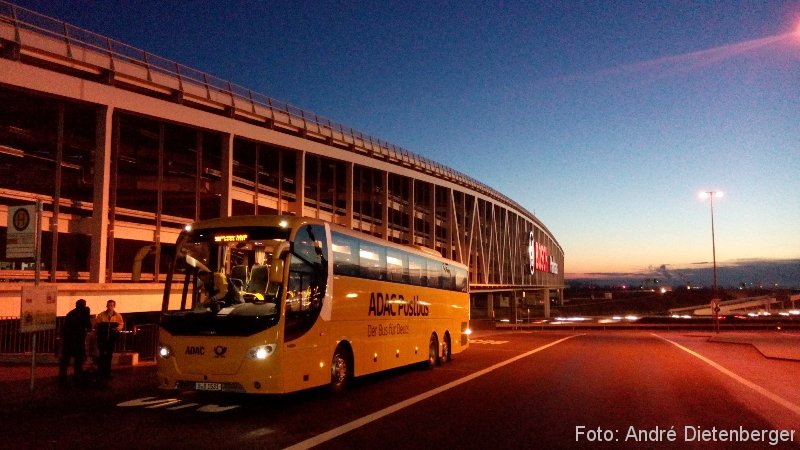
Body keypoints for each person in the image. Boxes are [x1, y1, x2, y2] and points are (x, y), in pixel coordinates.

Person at [59, 299, 92, 387]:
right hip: (78, 339)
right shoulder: (84, 313)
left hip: (68, 339)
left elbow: (64, 326)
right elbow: (88, 325)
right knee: (78, 360)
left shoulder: (71, 313)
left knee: (65, 360)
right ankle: (77, 377)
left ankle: (62, 378)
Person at [95, 299, 124, 381]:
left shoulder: (118, 316)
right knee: (102, 356)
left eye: (111, 305)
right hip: (102, 339)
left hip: (111, 339)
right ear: (106, 306)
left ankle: (107, 373)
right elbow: (96, 324)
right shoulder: (101, 315)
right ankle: (101, 372)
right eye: (108, 305)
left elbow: (121, 324)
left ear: (114, 306)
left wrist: (117, 328)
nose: (110, 307)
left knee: (109, 356)